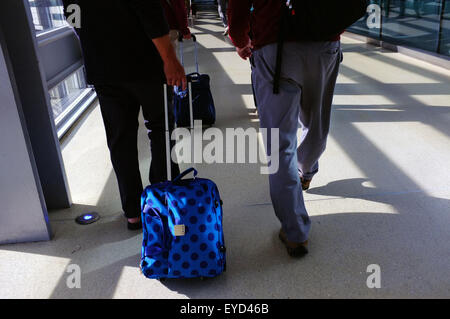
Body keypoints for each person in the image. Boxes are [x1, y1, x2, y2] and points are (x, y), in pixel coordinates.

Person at [228, 0, 342, 257]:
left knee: (279, 147)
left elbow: (238, 5)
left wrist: (240, 38)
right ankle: (307, 167)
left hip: (274, 45)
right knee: (316, 122)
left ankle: (295, 233)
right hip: (324, 43)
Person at [62, 0, 186, 230]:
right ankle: (161, 203)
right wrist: (170, 60)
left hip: (104, 70)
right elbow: (150, 15)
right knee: (161, 129)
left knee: (120, 139)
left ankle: (133, 212)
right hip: (145, 65)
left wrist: (97, 42)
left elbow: (73, 19)